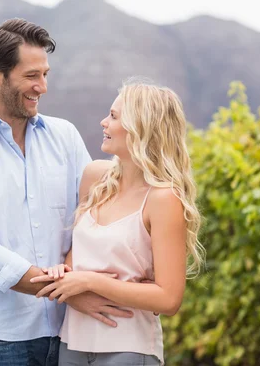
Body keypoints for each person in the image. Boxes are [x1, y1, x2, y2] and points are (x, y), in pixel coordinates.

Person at [0, 18, 134, 366]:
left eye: (45, 74)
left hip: (70, 331)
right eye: (31, 76)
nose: (42, 87)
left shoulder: (64, 136)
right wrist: (67, 293)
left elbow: (90, 216)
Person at [31, 78, 205, 365]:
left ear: (141, 127)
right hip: (71, 342)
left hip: (129, 348)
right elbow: (81, 250)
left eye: (113, 116)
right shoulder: (94, 177)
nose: (103, 122)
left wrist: (89, 281)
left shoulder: (163, 199)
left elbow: (169, 298)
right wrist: (66, 270)